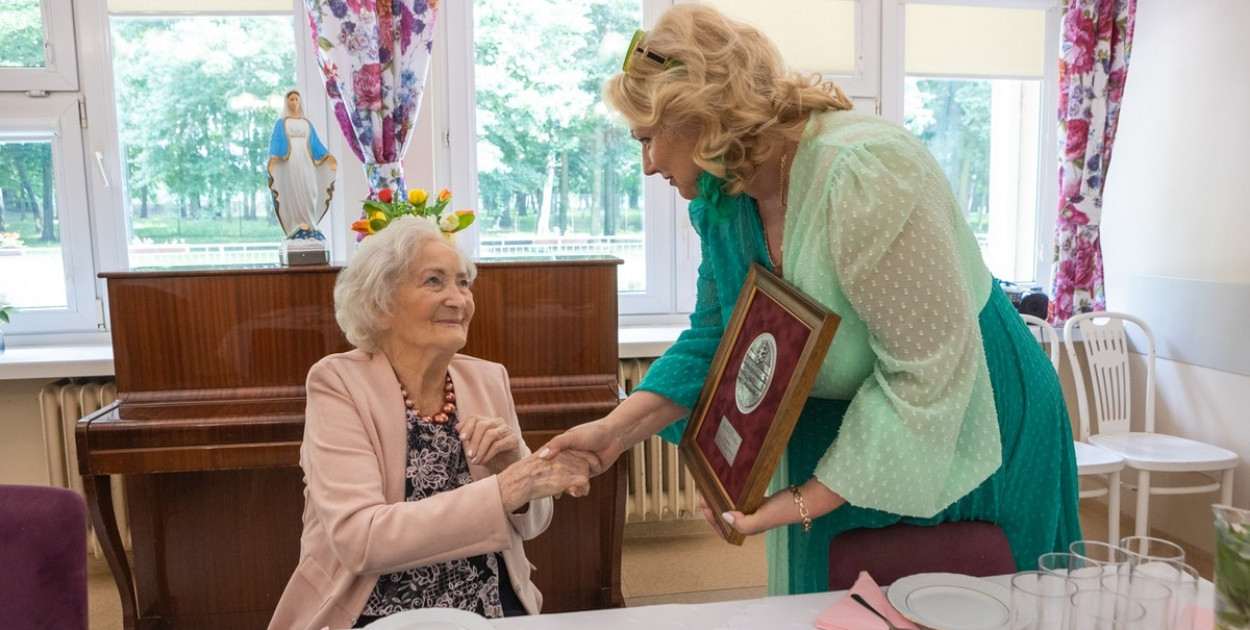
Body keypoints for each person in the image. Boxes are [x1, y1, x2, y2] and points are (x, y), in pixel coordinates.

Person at [541, 4, 1082, 596]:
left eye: (647, 140)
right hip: (850, 417)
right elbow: (717, 336)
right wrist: (616, 432)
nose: (646, 165)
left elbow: (926, 375)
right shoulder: (725, 199)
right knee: (839, 596)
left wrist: (801, 501)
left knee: (966, 593)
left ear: (698, 116)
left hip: (969, 409)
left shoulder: (865, 172)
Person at [269, 215, 592, 630]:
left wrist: (515, 466)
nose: (458, 299)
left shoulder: (488, 378)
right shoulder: (338, 382)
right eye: (435, 282)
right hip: (376, 607)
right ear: (380, 305)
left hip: (490, 602)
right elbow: (360, 540)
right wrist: (504, 490)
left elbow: (531, 525)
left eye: (463, 283)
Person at [267, 90, 338, 238]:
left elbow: (316, 144)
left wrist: (328, 156)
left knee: (309, 188)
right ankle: (296, 225)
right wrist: (273, 159)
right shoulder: (282, 123)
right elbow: (276, 142)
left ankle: (310, 222)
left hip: (306, 160)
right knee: (294, 190)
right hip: (291, 162)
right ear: (287, 102)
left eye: (296, 100)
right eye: (291, 100)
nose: (294, 103)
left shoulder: (306, 123)